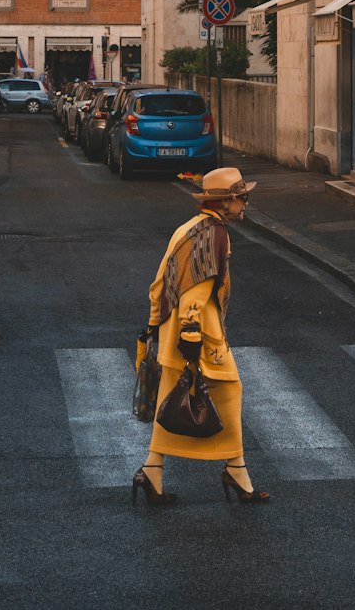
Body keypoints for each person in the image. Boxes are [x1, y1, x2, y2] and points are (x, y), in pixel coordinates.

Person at [133, 166, 271, 507]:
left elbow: (159, 283)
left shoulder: (188, 229)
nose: (245, 205)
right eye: (241, 199)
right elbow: (196, 293)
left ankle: (152, 471)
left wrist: (154, 325)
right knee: (229, 392)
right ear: (224, 202)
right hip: (197, 334)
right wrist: (192, 336)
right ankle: (236, 471)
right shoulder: (215, 235)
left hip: (171, 330)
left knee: (172, 398)